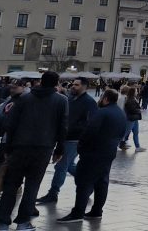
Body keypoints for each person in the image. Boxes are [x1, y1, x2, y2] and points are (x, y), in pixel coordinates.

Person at [0, 71, 68, 230]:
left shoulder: (24, 98)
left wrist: (8, 147)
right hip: (43, 148)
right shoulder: (61, 101)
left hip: (20, 147)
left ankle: (2, 222)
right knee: (32, 185)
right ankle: (23, 222)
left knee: (11, 184)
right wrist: (59, 149)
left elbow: (11, 124)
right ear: (56, 83)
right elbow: (62, 127)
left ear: (41, 81)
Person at [54, 89, 128, 222]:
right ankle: (97, 210)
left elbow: (90, 131)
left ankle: (77, 213)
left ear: (105, 99)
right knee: (102, 181)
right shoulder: (120, 113)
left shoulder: (102, 112)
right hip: (109, 151)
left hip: (94, 152)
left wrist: (81, 147)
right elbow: (123, 132)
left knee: (84, 182)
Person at [36, 77, 97, 205]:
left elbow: (90, 122)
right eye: (73, 84)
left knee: (61, 166)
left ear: (85, 86)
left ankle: (53, 193)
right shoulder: (69, 98)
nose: (73, 86)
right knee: (68, 165)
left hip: (74, 139)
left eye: (77, 85)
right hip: (64, 136)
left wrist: (72, 128)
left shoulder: (89, 102)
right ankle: (88, 182)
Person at [119, 86, 143, 151]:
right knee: (125, 133)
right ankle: (118, 144)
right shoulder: (127, 99)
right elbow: (129, 109)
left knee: (135, 132)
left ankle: (137, 147)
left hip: (134, 118)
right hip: (130, 118)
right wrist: (139, 110)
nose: (137, 92)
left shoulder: (132, 98)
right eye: (136, 91)